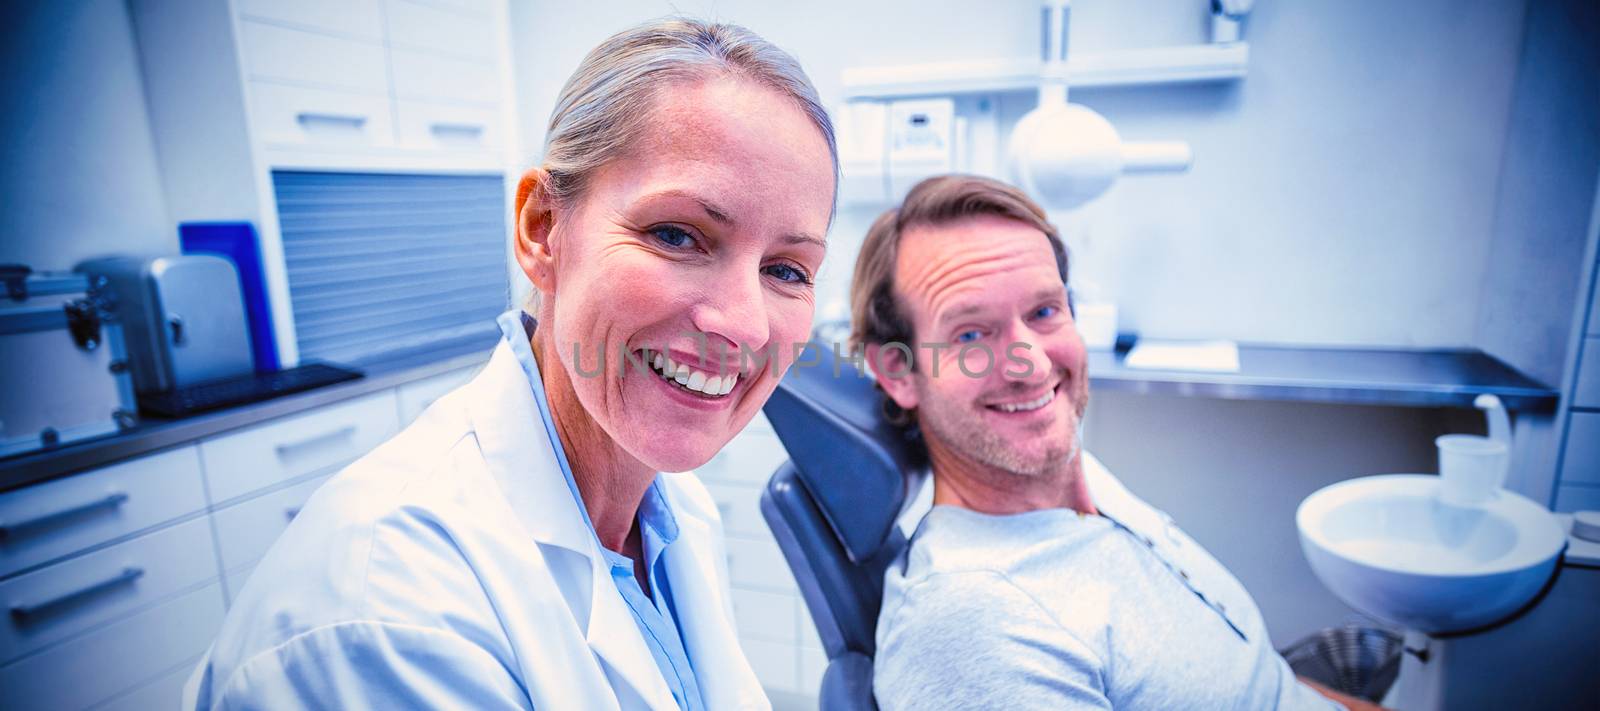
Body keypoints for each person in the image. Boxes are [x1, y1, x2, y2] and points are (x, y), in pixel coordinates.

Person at [184, 18, 836, 710]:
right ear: (542, 229)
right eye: (676, 234)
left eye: (787, 269)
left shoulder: (671, 516)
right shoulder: (390, 609)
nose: (742, 323)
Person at [851, 175, 1381, 710]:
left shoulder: (1076, 479)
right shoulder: (977, 631)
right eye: (971, 334)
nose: (1032, 365)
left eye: (1044, 312)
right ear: (898, 372)